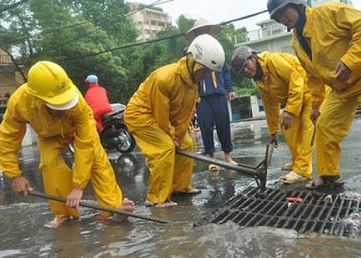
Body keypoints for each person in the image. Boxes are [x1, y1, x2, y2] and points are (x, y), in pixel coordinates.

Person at [267, 0, 361, 188]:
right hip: (342, 87)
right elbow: (313, 76)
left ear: (297, 5)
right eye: (277, 17)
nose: (282, 19)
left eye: (284, 12)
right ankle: (328, 176)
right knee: (324, 126)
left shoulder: (327, 12)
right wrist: (316, 105)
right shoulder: (296, 42)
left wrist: (350, 60)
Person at [0, 61, 134, 228]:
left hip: (76, 129)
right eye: (57, 105)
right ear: (37, 98)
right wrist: (14, 175)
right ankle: (64, 214)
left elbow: (85, 147)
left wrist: (78, 186)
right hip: (48, 136)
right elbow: (8, 138)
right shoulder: (19, 103)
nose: (62, 109)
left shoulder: (77, 102)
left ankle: (114, 210)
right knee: (49, 165)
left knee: (98, 161)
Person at [124, 34, 225, 208]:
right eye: (205, 70)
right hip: (141, 115)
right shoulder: (165, 78)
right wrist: (171, 137)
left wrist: (178, 135)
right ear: (193, 60)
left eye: (210, 72)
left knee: (186, 144)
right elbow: (160, 114)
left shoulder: (193, 81)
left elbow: (183, 115)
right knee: (164, 147)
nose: (207, 75)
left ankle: (179, 187)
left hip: (160, 118)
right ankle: (156, 198)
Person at [231, 46, 316, 184]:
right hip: (295, 99)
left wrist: (289, 110)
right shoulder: (259, 78)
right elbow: (269, 105)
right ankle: (297, 162)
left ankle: (302, 170)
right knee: (288, 128)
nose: (246, 71)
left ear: (253, 58)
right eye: (242, 71)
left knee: (308, 131)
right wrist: (273, 131)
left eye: (246, 66)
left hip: (311, 93)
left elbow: (296, 80)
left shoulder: (273, 61)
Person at [185, 18, 236, 171]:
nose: (203, 33)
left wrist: (230, 89)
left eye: (205, 30)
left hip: (219, 94)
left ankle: (227, 156)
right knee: (205, 127)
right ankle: (212, 160)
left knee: (224, 126)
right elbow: (187, 74)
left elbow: (225, 71)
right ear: (195, 34)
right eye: (199, 31)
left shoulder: (217, 49)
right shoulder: (190, 52)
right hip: (201, 98)